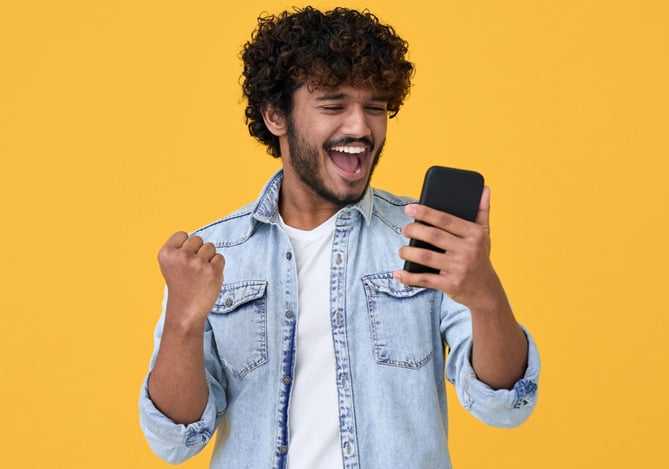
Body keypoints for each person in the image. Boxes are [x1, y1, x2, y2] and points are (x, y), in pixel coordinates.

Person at [139, 6, 540, 469]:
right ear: (275, 115)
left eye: (375, 107)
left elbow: (506, 405)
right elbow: (174, 440)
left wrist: (486, 296)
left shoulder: (425, 234)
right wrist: (183, 324)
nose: (360, 127)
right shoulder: (215, 257)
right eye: (333, 105)